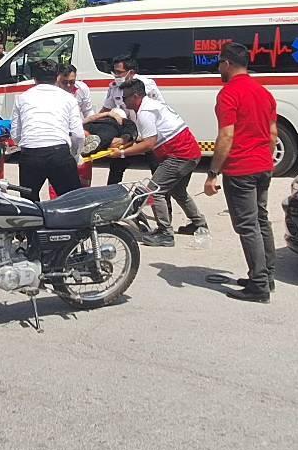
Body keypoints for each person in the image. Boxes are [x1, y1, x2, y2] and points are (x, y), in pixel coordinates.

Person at [204, 41, 279, 303]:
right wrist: (265, 159)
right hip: (263, 166)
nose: (219, 69)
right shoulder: (264, 92)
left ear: (227, 63)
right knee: (260, 220)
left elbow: (226, 135)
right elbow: (272, 134)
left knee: (247, 226)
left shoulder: (229, 93)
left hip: (241, 169)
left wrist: (213, 173)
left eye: (220, 64)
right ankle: (267, 276)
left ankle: (258, 286)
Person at [114, 78, 207, 246]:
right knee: (179, 191)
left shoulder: (145, 112)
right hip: (189, 152)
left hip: (179, 155)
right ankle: (199, 223)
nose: (123, 101)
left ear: (136, 96)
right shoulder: (151, 105)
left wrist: (122, 153)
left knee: (153, 191)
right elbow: (149, 138)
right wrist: (128, 142)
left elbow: (149, 144)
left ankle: (165, 233)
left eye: (125, 97)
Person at [12, 59, 85, 199]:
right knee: (73, 202)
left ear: (34, 78)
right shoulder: (68, 98)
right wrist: (75, 155)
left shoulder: (22, 98)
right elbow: (78, 135)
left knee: (30, 205)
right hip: (59, 154)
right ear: (57, 76)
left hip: (30, 155)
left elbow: (16, 134)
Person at [94, 57, 161, 184]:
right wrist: (91, 125)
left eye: (119, 72)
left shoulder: (147, 85)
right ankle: (112, 200)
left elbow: (159, 109)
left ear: (131, 72)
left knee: (157, 170)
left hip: (148, 134)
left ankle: (163, 202)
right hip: (128, 135)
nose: (116, 75)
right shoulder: (114, 87)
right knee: (116, 168)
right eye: (114, 72)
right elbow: (106, 109)